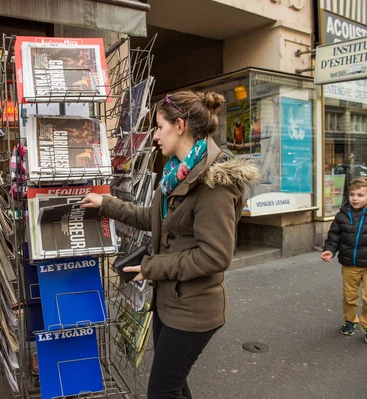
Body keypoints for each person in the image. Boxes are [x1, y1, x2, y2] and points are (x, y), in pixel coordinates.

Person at [80, 90, 260, 398]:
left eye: (159, 127)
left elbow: (215, 256)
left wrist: (152, 267)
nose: (155, 137)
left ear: (180, 125)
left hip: (194, 310)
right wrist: (106, 203)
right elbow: (154, 219)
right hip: (171, 302)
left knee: (162, 390)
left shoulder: (213, 182)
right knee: (173, 385)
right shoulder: (178, 173)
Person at [321, 177, 367, 346]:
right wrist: (330, 250)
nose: (355, 198)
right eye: (352, 194)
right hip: (350, 264)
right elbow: (334, 236)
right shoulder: (342, 215)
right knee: (350, 296)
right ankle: (349, 320)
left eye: (360, 195)